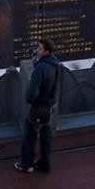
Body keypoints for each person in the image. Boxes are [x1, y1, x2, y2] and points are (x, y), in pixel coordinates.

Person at [15, 38, 61, 174]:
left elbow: (32, 93)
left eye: (40, 48)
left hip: (37, 109)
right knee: (46, 138)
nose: (37, 50)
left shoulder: (41, 68)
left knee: (29, 137)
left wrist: (29, 100)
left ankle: (26, 165)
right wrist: (37, 63)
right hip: (48, 107)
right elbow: (51, 82)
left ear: (46, 51)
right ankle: (45, 164)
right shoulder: (55, 64)